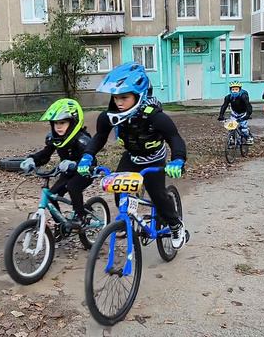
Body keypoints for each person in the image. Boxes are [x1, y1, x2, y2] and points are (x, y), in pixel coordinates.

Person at [76, 62, 188, 249]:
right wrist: (87, 156)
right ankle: (125, 220)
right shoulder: (108, 117)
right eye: (116, 97)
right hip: (132, 156)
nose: (119, 102)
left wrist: (178, 160)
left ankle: (176, 225)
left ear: (139, 95)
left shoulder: (155, 117)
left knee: (158, 196)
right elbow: (99, 137)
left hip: (154, 158)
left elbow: (174, 138)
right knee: (119, 189)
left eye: (124, 97)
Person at [20, 98, 93, 229]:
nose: (58, 126)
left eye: (62, 122)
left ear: (73, 122)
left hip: (85, 171)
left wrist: (75, 164)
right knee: (51, 196)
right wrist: (32, 159)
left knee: (72, 186)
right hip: (66, 171)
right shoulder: (56, 139)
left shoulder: (82, 139)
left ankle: (81, 217)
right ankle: (61, 225)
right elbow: (45, 154)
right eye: (55, 123)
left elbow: (91, 158)